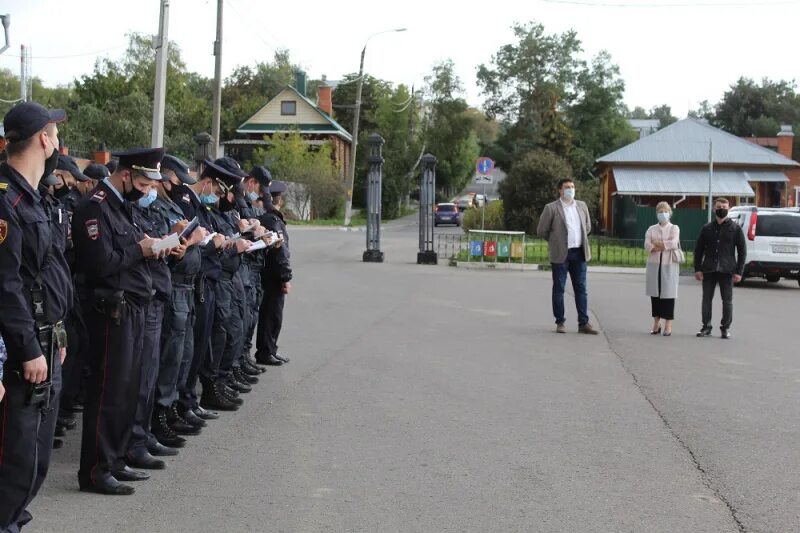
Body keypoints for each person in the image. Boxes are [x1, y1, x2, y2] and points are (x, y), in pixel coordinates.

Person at [72, 147, 169, 495]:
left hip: (134, 308)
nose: (146, 191)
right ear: (125, 174)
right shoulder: (94, 207)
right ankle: (96, 470)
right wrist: (139, 251)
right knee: (109, 392)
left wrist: (153, 246)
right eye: (143, 183)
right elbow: (100, 264)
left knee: (127, 390)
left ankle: (115, 460)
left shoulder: (121, 207)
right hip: (111, 311)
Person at [0, 101, 73, 532]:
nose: (59, 140)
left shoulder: (35, 197)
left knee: (35, 462)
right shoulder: (6, 201)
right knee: (15, 462)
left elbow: (48, 275)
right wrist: (29, 349)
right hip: (23, 352)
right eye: (55, 131)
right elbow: (5, 285)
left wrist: (57, 339)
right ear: (43, 139)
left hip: (48, 343)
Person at [536, 178, 598, 335]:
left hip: (579, 252)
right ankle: (560, 322)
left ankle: (583, 323)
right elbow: (541, 230)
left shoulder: (582, 206)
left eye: (572, 187)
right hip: (561, 254)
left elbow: (587, 227)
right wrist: (555, 242)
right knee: (559, 289)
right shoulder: (551, 208)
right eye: (567, 187)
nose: (570, 190)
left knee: (581, 289)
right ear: (560, 190)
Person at [694, 197, 746, 339]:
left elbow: (742, 251)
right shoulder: (707, 228)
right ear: (714, 209)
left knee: (727, 301)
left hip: (727, 270)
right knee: (706, 300)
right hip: (709, 269)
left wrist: (739, 272)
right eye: (718, 206)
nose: (721, 208)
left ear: (728, 208)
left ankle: (725, 328)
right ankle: (706, 327)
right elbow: (698, 250)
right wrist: (697, 269)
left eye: (724, 206)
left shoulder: (735, 229)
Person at [255, 180, 293, 364]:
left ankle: (269, 349)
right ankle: (266, 351)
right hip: (273, 275)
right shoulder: (273, 219)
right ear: (280, 200)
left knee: (270, 315)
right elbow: (280, 252)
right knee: (272, 315)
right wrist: (285, 277)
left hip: (267, 273)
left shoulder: (267, 218)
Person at [644, 202, 681, 336]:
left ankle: (668, 324)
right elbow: (647, 245)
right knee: (655, 294)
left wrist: (658, 244)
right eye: (660, 211)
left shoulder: (674, 228)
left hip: (669, 264)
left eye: (665, 211)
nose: (663, 213)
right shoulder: (651, 229)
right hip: (654, 265)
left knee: (668, 294)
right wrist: (663, 245)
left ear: (670, 213)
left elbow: (674, 243)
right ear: (656, 214)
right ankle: (656, 322)